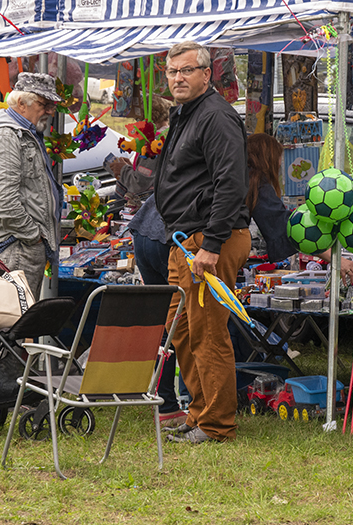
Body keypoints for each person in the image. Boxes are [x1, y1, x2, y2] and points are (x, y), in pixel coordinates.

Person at [154, 41, 251, 444]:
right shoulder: (186, 113)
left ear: (206, 74)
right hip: (185, 241)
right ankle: (199, 413)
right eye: (173, 71)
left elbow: (231, 183)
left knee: (208, 333)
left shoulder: (216, 116)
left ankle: (216, 425)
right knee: (181, 332)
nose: (178, 78)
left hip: (210, 242)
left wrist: (211, 244)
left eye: (187, 70)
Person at [116, 97, 189, 427]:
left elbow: (140, 183)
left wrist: (117, 169)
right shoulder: (165, 142)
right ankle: (186, 400)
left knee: (165, 322)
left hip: (148, 229)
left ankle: (166, 403)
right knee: (185, 321)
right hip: (164, 234)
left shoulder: (161, 141)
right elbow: (140, 182)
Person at [0, 72, 62, 300]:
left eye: (51, 105)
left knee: (17, 320)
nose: (50, 111)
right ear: (21, 102)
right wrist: (33, 236)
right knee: (13, 322)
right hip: (16, 246)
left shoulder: (25, 132)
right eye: (44, 104)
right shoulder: (6, 135)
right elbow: (5, 202)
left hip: (21, 244)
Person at [247, 133, 353, 283]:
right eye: (279, 157)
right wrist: (335, 259)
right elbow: (288, 228)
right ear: (268, 158)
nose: (280, 164)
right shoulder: (256, 183)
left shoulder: (246, 178)